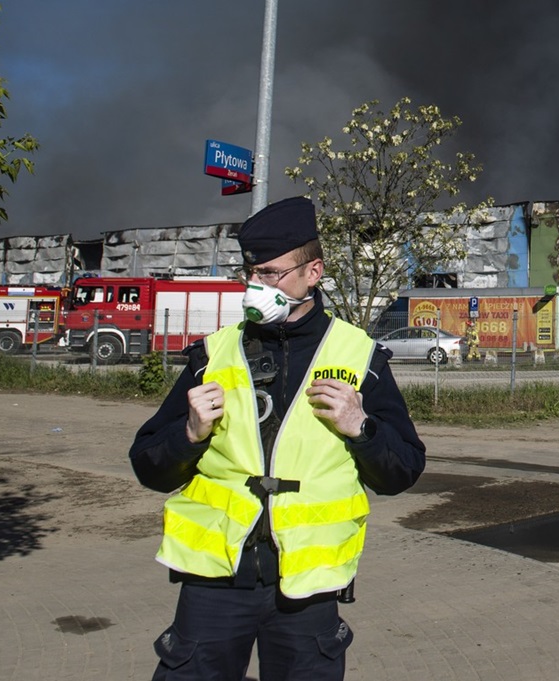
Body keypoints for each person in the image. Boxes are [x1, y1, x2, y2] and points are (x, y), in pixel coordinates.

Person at [131, 196, 425, 680]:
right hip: (215, 583)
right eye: (251, 274)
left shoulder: (360, 357)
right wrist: (188, 434)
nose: (256, 286)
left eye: (271, 274)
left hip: (307, 592)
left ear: (314, 272)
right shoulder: (213, 354)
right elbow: (147, 465)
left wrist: (362, 428)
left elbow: (403, 472)